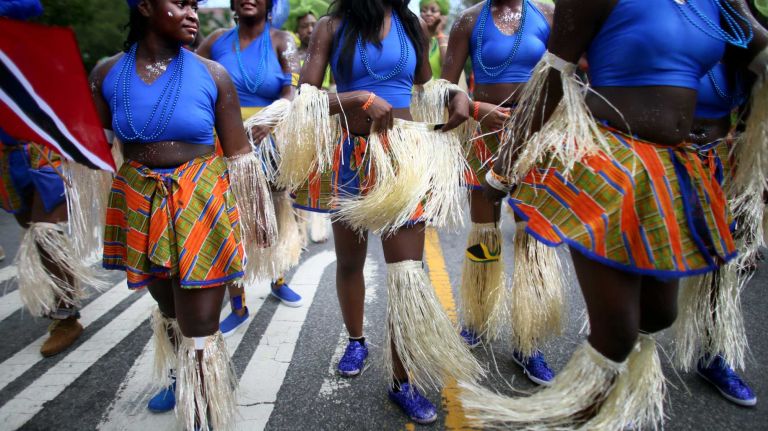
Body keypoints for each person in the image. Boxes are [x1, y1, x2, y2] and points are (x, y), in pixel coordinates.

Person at [462, 0, 768, 429]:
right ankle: (573, 416)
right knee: (619, 331)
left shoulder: (718, 2)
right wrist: (503, 170)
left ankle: (621, 401)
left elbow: (756, 50)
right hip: (604, 162)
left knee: (660, 315)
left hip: (675, 167)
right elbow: (550, 79)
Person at [292, 0, 482, 423]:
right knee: (350, 262)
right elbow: (305, 99)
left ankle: (403, 380)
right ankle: (357, 339)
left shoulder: (411, 24)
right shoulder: (331, 25)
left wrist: (456, 94)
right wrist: (357, 97)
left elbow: (425, 86)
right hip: (348, 158)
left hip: (403, 158)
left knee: (407, 275)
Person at [89, 0, 273, 428]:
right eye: (181, 3)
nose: (192, 12)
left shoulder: (213, 74)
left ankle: (202, 407)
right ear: (146, 6)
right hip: (141, 201)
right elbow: (93, 149)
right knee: (169, 308)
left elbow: (240, 155)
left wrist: (259, 216)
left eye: (195, 5)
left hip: (201, 201)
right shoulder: (106, 74)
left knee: (201, 322)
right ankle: (186, 371)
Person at [441, 0, 557, 386]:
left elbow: (566, 75)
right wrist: (475, 107)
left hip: (536, 136)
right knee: (485, 231)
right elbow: (444, 87)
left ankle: (529, 341)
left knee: (533, 237)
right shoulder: (469, 19)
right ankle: (477, 318)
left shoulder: (547, 13)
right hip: (485, 134)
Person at [197, 0, 304, 344]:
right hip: (223, 141)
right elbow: (190, 75)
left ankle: (277, 278)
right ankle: (238, 303)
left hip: (270, 138)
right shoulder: (215, 41)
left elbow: (293, 87)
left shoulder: (283, 40)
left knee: (273, 213)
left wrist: (272, 116)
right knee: (230, 219)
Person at [672, 62, 758, 407]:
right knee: (639, 257)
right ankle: (623, 351)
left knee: (720, 261)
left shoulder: (737, 28)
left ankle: (713, 353)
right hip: (655, 156)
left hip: (716, 158)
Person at [0, 128, 94, 357]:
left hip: (47, 150)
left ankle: (66, 317)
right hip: (7, 158)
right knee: (30, 224)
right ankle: (65, 285)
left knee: (45, 231)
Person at [285, 0, 333, 243]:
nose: (309, 30)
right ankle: (300, 231)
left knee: (320, 169)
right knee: (299, 174)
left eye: (313, 25)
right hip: (297, 116)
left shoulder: (327, 48)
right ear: (297, 28)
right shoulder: (292, 55)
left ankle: (319, 224)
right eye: (305, 26)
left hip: (324, 116)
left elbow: (334, 84)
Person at [419, 0, 449, 79]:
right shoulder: (413, 39)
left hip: (436, 91)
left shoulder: (447, 41)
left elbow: (448, 67)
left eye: (433, 11)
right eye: (424, 11)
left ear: (443, 15)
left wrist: (440, 33)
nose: (428, 13)